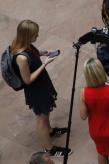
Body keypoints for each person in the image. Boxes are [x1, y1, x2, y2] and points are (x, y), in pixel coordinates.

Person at [10, 20, 67, 155]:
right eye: (35, 35)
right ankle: (50, 149)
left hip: (42, 84)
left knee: (46, 112)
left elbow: (32, 54)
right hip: (36, 90)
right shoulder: (21, 59)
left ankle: (51, 131)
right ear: (26, 36)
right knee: (42, 117)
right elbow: (27, 80)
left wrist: (42, 53)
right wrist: (45, 64)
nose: (37, 36)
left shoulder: (24, 44)